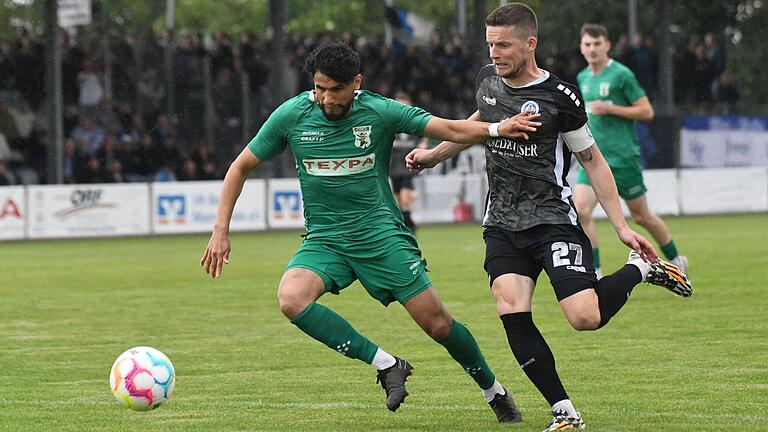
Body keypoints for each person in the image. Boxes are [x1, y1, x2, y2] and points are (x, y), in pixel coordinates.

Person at [200, 41, 524, 424]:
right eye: (318, 87)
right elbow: (239, 167)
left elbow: (449, 127)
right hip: (325, 239)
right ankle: (387, 364)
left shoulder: (380, 111)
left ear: (356, 82)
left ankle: (493, 391)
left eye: (334, 89)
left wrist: (498, 127)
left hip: (380, 237)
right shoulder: (292, 115)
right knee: (291, 298)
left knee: (438, 324)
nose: (324, 97)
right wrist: (221, 229)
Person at [405, 4, 692, 431]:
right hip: (501, 222)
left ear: (530, 43)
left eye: (503, 45)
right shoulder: (487, 80)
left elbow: (592, 161)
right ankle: (564, 411)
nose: (495, 53)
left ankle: (640, 270)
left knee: (584, 317)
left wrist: (620, 227)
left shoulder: (561, 97)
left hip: (553, 219)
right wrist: (433, 155)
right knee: (510, 306)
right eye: (490, 44)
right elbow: (480, 121)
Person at [576, 23, 688, 278]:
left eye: (597, 44)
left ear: (607, 46)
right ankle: (595, 272)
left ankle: (676, 260)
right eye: (587, 44)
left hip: (623, 159)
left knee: (641, 216)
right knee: (581, 211)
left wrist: (612, 108)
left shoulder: (621, 75)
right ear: (582, 48)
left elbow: (646, 111)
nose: (592, 49)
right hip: (593, 158)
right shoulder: (583, 77)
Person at [389, 90, 428, 233]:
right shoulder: (390, 123)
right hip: (393, 167)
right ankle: (408, 226)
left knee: (405, 199)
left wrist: (422, 145)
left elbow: (424, 135)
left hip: (407, 167)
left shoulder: (413, 123)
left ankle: (409, 228)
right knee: (397, 202)